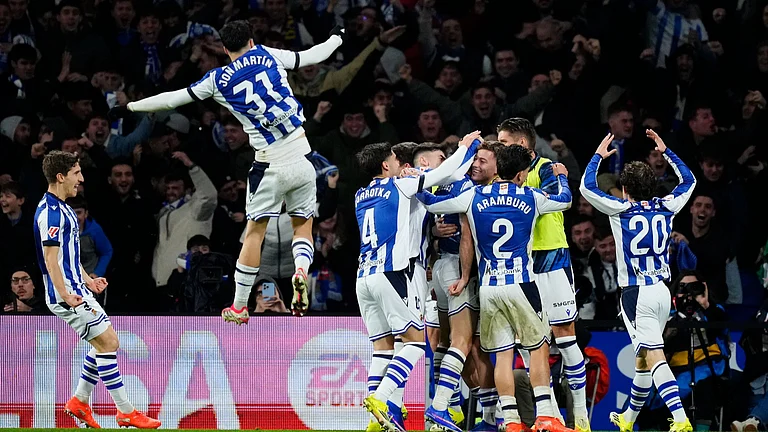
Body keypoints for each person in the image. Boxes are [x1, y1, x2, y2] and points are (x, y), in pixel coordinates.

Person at [108, 20, 347, 320]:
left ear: (223, 48)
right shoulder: (268, 54)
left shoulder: (217, 80)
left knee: (254, 235)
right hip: (302, 156)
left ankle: (239, 305)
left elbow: (172, 99)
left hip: (269, 164)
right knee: (302, 225)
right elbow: (314, 55)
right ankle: (300, 269)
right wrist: (337, 37)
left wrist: (130, 107)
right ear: (250, 40)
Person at [415, 144, 574, 432]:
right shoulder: (531, 195)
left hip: (489, 288)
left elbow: (430, 202)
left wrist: (419, 179)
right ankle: (547, 415)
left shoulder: (472, 195)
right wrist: (561, 176)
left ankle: (511, 421)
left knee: (502, 354)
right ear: (521, 173)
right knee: (537, 349)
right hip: (522, 284)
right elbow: (564, 200)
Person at [354, 133, 480, 432]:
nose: (403, 166)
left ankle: (376, 421)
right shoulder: (401, 183)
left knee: (383, 349)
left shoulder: (360, 194)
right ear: (387, 166)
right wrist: (468, 146)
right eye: (398, 162)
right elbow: (445, 172)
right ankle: (382, 399)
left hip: (364, 277)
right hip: (396, 273)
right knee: (414, 343)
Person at [579, 130, 696, 432]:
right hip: (661, 291)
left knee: (654, 356)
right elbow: (690, 181)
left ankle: (680, 418)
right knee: (643, 359)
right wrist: (667, 151)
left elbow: (586, 187)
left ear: (626, 188)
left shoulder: (621, 209)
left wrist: (597, 157)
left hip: (636, 293)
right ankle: (628, 419)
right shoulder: (667, 206)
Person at [33, 151, 160, 429]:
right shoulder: (51, 213)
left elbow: (69, 256)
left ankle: (79, 401)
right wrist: (65, 294)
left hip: (78, 288)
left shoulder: (65, 207)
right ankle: (125, 410)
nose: (81, 178)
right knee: (109, 343)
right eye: (77, 173)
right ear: (61, 176)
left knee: (102, 343)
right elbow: (50, 260)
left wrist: (89, 280)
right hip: (66, 294)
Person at [497, 117, 591, 432]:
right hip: (520, 265)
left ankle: (581, 417)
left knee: (565, 338)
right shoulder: (500, 176)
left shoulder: (547, 168)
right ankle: (551, 417)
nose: (500, 148)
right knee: (529, 343)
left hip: (551, 258)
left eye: (505, 142)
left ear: (523, 144)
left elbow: (561, 204)